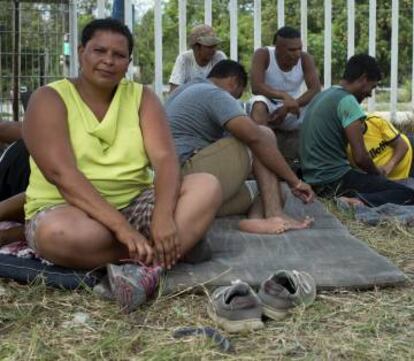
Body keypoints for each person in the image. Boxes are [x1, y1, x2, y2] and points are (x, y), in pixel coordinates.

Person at [22, 18, 221, 283]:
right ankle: (165, 253)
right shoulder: (49, 98)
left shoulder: (142, 97)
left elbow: (164, 160)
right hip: (70, 209)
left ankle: (141, 259)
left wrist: (162, 217)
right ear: (81, 52)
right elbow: (62, 174)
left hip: (135, 202)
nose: (108, 60)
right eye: (99, 51)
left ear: (128, 62)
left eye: (119, 55)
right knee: (56, 234)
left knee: (207, 186)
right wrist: (122, 229)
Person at [165, 60, 315, 235]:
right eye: (236, 96)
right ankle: (275, 213)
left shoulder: (185, 90)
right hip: (188, 172)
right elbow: (255, 138)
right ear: (233, 82)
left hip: (178, 189)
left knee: (271, 191)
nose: (234, 102)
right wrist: (295, 181)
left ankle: (255, 219)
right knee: (263, 134)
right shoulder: (215, 94)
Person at [300, 54, 414, 207]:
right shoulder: (348, 101)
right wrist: (378, 175)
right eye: (372, 87)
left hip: (314, 180)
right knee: (407, 194)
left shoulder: (324, 95)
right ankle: (357, 202)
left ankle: (355, 197)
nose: (370, 94)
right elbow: (360, 157)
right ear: (364, 78)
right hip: (333, 180)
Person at [250, 26, 320, 163]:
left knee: (318, 103)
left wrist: (290, 105)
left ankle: (313, 160)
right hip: (269, 105)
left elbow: (315, 88)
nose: (297, 54)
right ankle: (260, 159)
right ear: (277, 48)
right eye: (292, 50)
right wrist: (283, 96)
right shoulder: (263, 54)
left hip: (293, 107)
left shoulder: (305, 59)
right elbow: (256, 87)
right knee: (259, 103)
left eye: (299, 48)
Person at [347, 114, 413, 181]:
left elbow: (402, 146)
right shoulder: (345, 143)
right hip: (391, 180)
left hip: (409, 158)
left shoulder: (374, 121)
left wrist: (388, 167)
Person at [168, 24, 227, 93]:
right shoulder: (184, 59)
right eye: (209, 46)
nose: (214, 50)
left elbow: (226, 89)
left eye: (215, 46)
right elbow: (174, 91)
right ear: (196, 47)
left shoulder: (219, 57)